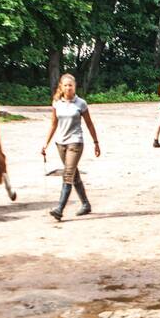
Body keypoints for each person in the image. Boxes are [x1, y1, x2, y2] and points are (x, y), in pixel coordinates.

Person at [42, 73, 100, 220]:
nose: (68, 88)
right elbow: (53, 124)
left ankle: (59, 209)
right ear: (61, 87)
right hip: (60, 143)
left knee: (67, 174)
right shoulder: (56, 103)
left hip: (76, 142)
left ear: (75, 87)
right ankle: (86, 204)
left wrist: (96, 142)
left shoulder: (81, 103)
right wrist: (46, 144)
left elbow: (89, 124)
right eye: (66, 85)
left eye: (71, 85)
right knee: (74, 175)